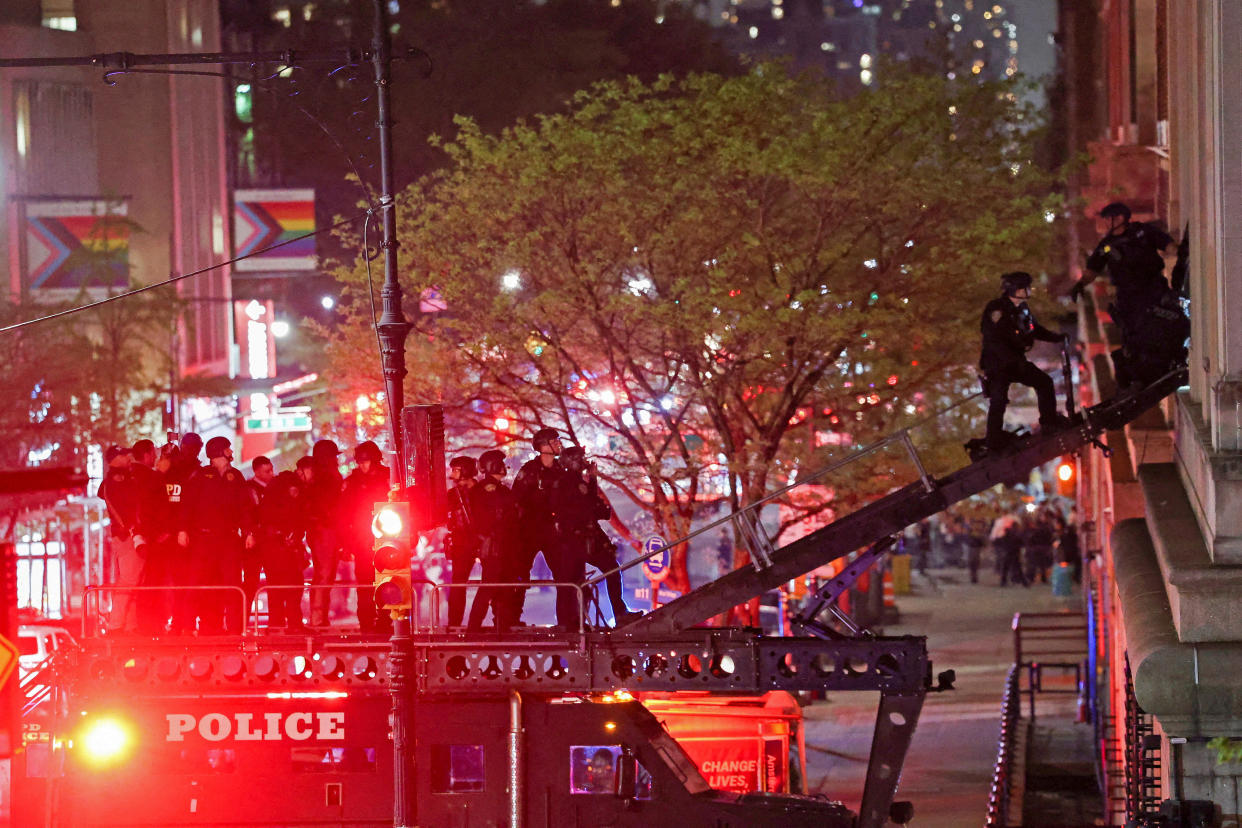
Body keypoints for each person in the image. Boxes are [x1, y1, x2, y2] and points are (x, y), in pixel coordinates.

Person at [1069, 202, 1187, 386]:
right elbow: (1093, 269)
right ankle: (1132, 380)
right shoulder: (1107, 245)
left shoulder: (1143, 232)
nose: (1107, 222)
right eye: (1106, 219)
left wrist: (1183, 252)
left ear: (1121, 218)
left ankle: (1171, 360)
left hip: (1153, 289)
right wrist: (1079, 285)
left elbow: (1168, 245)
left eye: (1110, 218)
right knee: (1131, 338)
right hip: (1127, 296)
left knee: (1170, 322)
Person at [551, 446, 643, 628]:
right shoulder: (570, 484)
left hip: (577, 540)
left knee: (571, 581)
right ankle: (616, 613)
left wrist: (592, 480)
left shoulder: (571, 482)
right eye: (581, 458)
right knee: (605, 571)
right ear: (573, 461)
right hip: (579, 540)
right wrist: (593, 488)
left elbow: (592, 504)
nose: (584, 461)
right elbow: (592, 508)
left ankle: (568, 622)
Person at [979, 271, 1070, 451]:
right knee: (998, 400)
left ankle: (1049, 421)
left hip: (1016, 361)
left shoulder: (1023, 308)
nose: (1028, 291)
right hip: (997, 364)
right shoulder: (997, 309)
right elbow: (993, 340)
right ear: (1013, 290)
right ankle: (993, 441)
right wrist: (1012, 360)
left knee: (1044, 382)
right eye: (1024, 288)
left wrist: (1057, 338)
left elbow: (1034, 329)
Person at [182, 437, 253, 633]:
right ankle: (206, 627)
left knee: (232, 585)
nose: (231, 452)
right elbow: (187, 505)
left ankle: (234, 629)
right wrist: (183, 530)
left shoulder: (236, 477)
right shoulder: (201, 476)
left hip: (228, 539)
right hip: (203, 540)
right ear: (220, 452)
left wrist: (248, 532)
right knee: (203, 584)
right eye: (228, 448)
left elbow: (244, 507)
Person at [511, 427, 568, 624]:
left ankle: (567, 621)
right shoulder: (529, 471)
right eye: (554, 441)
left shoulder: (562, 470)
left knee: (564, 575)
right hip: (529, 531)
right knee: (519, 574)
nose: (559, 444)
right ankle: (512, 618)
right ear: (544, 446)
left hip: (553, 532)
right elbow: (515, 502)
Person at [466, 450, 522, 631]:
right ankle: (474, 628)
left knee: (504, 587)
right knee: (489, 586)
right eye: (499, 463)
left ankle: (501, 624)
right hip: (494, 547)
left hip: (505, 545)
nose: (503, 467)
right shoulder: (485, 491)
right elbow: (489, 519)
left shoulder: (500, 489)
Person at [341, 441, 392, 633]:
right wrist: (346, 544)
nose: (362, 465)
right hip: (361, 540)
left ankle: (386, 620)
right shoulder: (352, 482)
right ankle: (366, 624)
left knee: (388, 581)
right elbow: (344, 514)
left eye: (366, 461)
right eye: (360, 462)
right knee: (364, 585)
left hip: (387, 538)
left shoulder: (389, 478)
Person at [252, 467, 309, 631]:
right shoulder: (285, 499)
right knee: (291, 587)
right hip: (280, 548)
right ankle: (292, 624)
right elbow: (296, 520)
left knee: (278, 587)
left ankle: (277, 624)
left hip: (275, 548)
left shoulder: (269, 499)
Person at [98, 445, 142, 632]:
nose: (128, 458)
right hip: (127, 536)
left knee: (133, 582)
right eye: (124, 455)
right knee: (129, 581)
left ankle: (129, 625)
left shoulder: (114, 480)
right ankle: (117, 624)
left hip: (124, 535)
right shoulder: (119, 480)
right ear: (114, 459)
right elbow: (132, 503)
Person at [305, 439, 344, 627]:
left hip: (326, 529)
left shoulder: (321, 478)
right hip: (325, 530)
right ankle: (318, 617)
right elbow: (328, 506)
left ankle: (320, 617)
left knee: (325, 574)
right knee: (324, 574)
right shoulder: (325, 478)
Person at [444, 455, 481, 628]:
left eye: (456, 470)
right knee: (458, 584)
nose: (453, 473)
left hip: (482, 541)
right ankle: (454, 623)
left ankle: (479, 623)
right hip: (461, 543)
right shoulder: (452, 495)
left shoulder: (481, 491)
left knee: (492, 584)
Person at [243, 456, 276, 612]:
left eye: (271, 469)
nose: (272, 473)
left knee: (274, 581)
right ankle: (243, 621)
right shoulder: (249, 489)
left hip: (270, 541)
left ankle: (276, 621)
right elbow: (248, 514)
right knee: (250, 582)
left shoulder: (274, 488)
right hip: (256, 541)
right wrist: (250, 533)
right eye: (267, 471)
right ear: (257, 471)